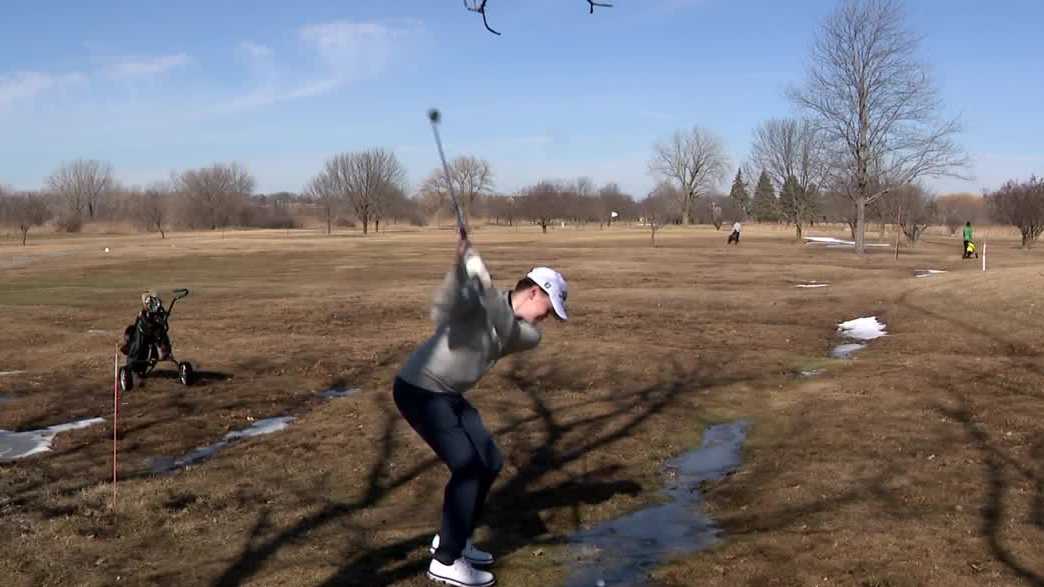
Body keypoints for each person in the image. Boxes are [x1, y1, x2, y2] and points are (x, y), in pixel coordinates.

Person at [393, 237, 568, 587]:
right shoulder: (480, 303)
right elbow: (448, 306)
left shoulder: (526, 334)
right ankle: (445, 561)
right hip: (420, 389)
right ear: (534, 293)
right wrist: (464, 267)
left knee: (490, 460)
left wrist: (480, 276)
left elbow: (501, 321)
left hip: (448, 393)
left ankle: (455, 537)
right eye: (548, 309)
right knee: (468, 467)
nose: (546, 319)